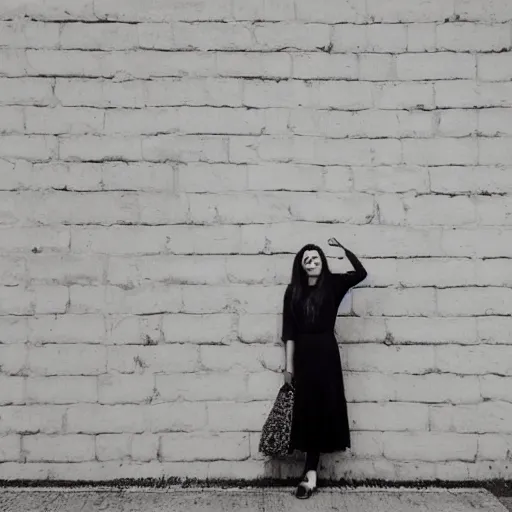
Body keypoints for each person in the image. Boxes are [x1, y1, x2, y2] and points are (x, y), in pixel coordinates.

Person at [281, 237, 367, 499]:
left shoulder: (333, 284)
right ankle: (310, 470)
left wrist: (343, 249)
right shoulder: (292, 291)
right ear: (301, 265)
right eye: (306, 259)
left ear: (322, 261)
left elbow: (361, 274)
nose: (311, 261)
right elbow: (289, 331)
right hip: (303, 357)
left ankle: (310, 472)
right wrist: (288, 368)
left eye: (315, 257)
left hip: (326, 353)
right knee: (306, 410)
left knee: (323, 407)